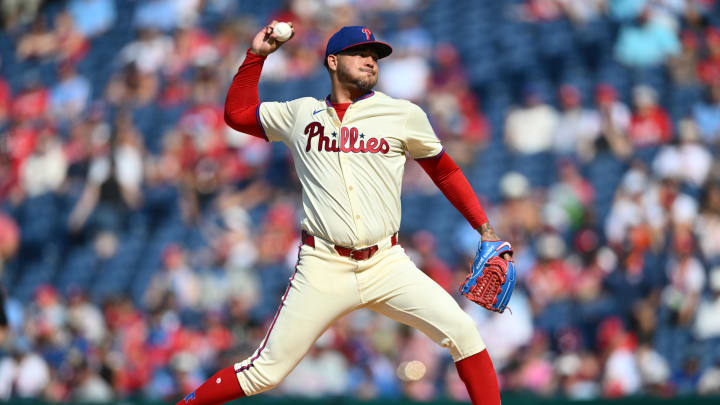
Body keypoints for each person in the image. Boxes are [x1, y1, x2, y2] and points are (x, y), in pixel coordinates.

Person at [177, 22, 512, 405]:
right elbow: (237, 114)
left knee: (465, 333)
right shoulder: (301, 114)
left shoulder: (401, 113)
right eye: (360, 54)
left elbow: (445, 170)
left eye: (375, 57)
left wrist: (484, 228)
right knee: (265, 372)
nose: (371, 62)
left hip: (386, 263)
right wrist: (258, 55)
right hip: (323, 264)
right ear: (333, 62)